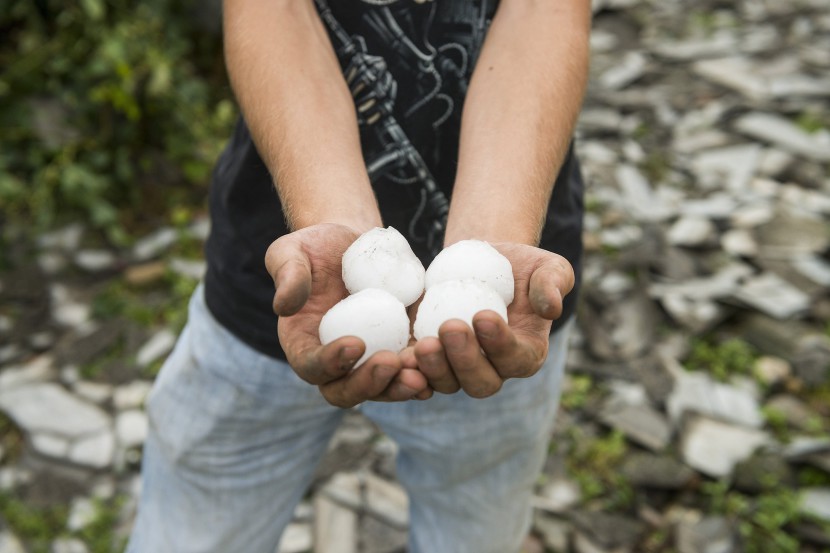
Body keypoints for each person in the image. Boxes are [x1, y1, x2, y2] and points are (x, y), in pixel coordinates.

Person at [127, 1, 589, 552]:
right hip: (281, 289)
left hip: (503, 313)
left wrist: (489, 245)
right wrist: (334, 223)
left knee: (475, 527)